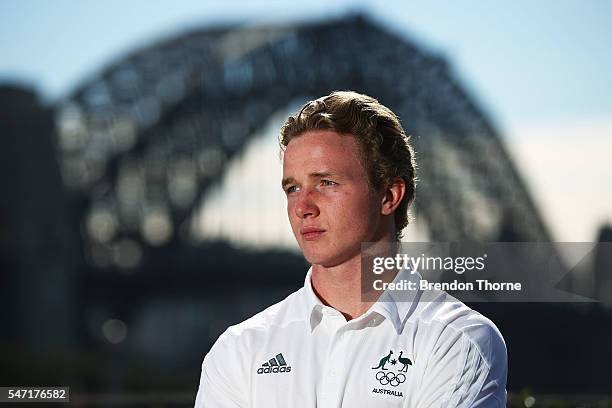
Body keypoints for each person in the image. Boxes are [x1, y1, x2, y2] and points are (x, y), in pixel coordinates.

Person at [194, 91, 507, 407]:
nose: (303, 206)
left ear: (388, 195)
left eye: (326, 183)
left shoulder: (457, 340)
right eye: (293, 188)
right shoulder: (240, 348)